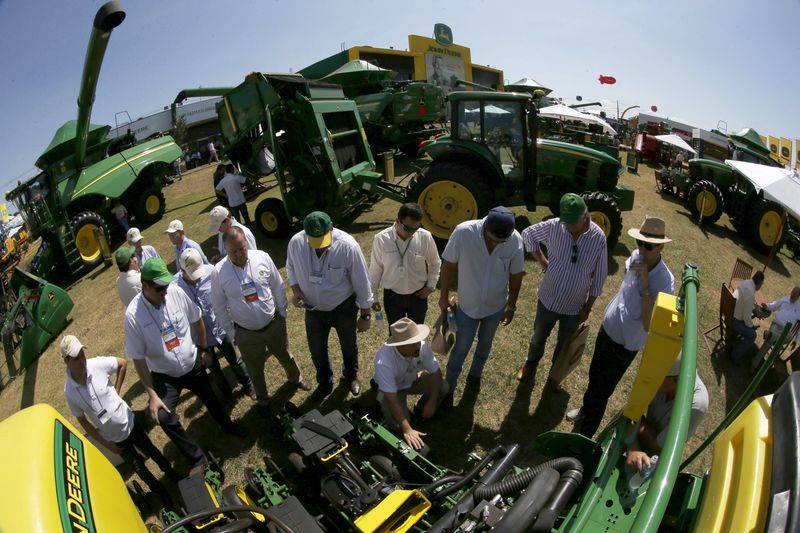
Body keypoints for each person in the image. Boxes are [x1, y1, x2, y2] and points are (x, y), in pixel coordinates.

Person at [125, 258, 245, 470]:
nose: (164, 292)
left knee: (211, 397)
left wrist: (204, 349)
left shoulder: (175, 293)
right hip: (165, 375)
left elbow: (197, 318)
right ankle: (197, 458)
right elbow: (138, 358)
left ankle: (228, 425)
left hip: (192, 363)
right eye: (159, 288)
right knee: (162, 416)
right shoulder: (133, 316)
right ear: (145, 286)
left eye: (166, 286)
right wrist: (152, 395)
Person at [567, 217, 676, 438]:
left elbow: (649, 323)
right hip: (608, 329)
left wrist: (646, 287)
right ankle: (585, 410)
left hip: (625, 344)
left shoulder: (665, 282)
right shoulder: (636, 257)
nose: (642, 250)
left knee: (604, 390)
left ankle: (585, 434)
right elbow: (626, 289)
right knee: (593, 376)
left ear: (661, 246)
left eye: (648, 246)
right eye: (639, 243)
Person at [61, 334, 179, 501]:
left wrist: (116, 391)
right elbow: (84, 423)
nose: (82, 361)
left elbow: (122, 364)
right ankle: (164, 498)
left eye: (82, 355)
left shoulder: (96, 365)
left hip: (130, 423)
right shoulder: (70, 392)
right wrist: (108, 445)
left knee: (152, 451)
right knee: (140, 470)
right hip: (114, 440)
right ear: (66, 361)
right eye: (76, 359)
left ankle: (174, 477)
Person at [211, 227, 311, 408]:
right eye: (233, 251)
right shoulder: (219, 272)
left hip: (273, 323)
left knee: (285, 355)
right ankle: (264, 400)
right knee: (255, 369)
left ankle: (296, 378)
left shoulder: (262, 257)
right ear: (226, 249)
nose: (239, 254)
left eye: (242, 248)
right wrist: (232, 333)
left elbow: (277, 285)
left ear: (246, 243)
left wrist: (282, 313)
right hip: (246, 333)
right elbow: (218, 306)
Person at [516, 194, 608, 382]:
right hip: (547, 299)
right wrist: (542, 261)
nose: (567, 226)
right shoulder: (555, 225)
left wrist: (587, 308)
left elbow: (599, 277)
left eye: (572, 222)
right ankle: (530, 365)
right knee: (537, 339)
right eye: (566, 222)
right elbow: (527, 234)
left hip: (573, 308)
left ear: (585, 215)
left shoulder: (598, 238)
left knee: (564, 345)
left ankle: (555, 375)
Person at [438, 206, 525, 399]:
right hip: (467, 306)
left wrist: (511, 305)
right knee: (461, 347)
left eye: (501, 242)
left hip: (495, 307)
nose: (495, 244)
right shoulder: (463, 232)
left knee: (485, 345)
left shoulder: (515, 240)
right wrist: (443, 296)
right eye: (492, 239)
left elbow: (516, 274)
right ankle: (449, 387)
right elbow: (449, 264)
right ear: (485, 227)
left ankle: (475, 376)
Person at [286, 211, 373, 401]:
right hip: (313, 310)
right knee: (317, 350)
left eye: (323, 240)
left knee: (349, 346)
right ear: (305, 233)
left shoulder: (348, 246)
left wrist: (365, 315)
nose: (319, 247)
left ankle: (350, 376)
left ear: (332, 227)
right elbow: (290, 267)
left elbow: (362, 282)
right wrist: (295, 289)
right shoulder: (296, 243)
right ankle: (325, 382)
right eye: (313, 241)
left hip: (343, 307)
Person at [176, 248, 255, 401]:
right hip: (199, 337)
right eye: (193, 275)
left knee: (235, 359)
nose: (197, 279)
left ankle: (248, 385)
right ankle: (227, 395)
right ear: (182, 271)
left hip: (219, 328)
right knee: (214, 368)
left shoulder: (211, 271)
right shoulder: (176, 288)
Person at [374, 318, 449, 450]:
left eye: (417, 341)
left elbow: (436, 373)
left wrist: (431, 402)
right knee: (398, 427)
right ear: (400, 345)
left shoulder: (421, 346)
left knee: (443, 387)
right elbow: (392, 399)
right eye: (412, 344)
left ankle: (421, 410)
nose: (418, 347)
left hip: (413, 380)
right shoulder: (384, 361)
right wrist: (407, 429)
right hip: (392, 392)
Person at [626, 359, 708, 475]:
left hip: (652, 461)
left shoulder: (696, 405)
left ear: (676, 380)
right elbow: (629, 411)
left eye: (659, 376)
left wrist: (637, 422)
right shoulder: (662, 378)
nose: (652, 379)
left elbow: (658, 449)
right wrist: (633, 448)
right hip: (637, 439)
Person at [369, 203, 441, 327]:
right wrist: (373, 297)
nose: (412, 233)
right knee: (397, 336)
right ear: (397, 221)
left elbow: (435, 262)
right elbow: (375, 269)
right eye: (408, 229)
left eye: (416, 229)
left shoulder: (425, 237)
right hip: (393, 297)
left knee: (417, 333)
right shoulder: (381, 239)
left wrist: (430, 286)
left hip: (418, 296)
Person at [750, 286, 800, 371]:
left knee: (778, 337)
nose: (792, 295)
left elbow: (799, 327)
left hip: (787, 333)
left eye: (794, 294)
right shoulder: (785, 299)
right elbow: (774, 305)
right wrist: (767, 306)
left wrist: (796, 340)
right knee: (770, 340)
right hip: (776, 326)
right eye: (792, 293)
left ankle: (770, 335)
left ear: (798, 296)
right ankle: (754, 365)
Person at [730, 271, 765, 362]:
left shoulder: (745, 282)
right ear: (760, 284)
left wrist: (752, 308)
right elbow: (746, 319)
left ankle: (733, 342)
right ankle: (735, 356)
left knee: (749, 326)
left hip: (730, 312)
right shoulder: (751, 294)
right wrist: (751, 327)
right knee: (753, 335)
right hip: (734, 321)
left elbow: (745, 301)